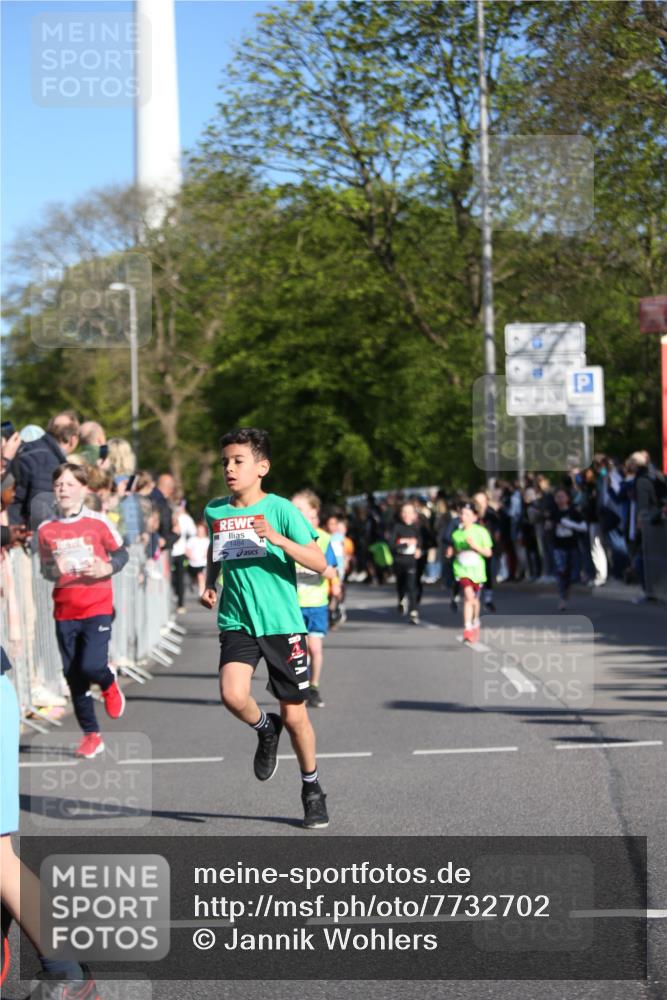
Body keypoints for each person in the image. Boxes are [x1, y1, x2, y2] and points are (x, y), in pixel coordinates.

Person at [200, 428, 330, 829]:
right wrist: (210, 581)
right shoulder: (215, 511)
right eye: (225, 462)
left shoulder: (281, 510)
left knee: (296, 717)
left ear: (262, 467)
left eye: (238, 461)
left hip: (281, 623)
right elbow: (215, 549)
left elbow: (319, 562)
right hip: (237, 618)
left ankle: (312, 789)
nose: (230, 468)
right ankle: (264, 728)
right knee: (232, 694)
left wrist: (275, 538)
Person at [37, 463, 129, 758]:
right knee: (73, 675)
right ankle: (91, 735)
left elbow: (121, 553)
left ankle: (107, 681)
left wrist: (107, 567)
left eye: (70, 484)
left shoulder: (98, 522)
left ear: (84, 489)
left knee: (90, 666)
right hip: (64, 610)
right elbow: (45, 570)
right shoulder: (46, 529)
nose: (63, 489)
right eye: (59, 484)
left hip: (97, 605)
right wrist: (54, 567)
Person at [291, 491, 340, 708]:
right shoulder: (286, 536)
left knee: (315, 648)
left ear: (313, 512)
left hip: (316, 603)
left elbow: (331, 571)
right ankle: (299, 686)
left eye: (299, 509)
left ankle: (314, 685)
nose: (294, 513)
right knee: (297, 651)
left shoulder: (324, 538)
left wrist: (318, 569)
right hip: (292, 603)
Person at [9, 411, 80, 527]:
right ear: (73, 439)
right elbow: (40, 513)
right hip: (15, 530)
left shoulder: (30, 448)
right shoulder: (48, 462)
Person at [446, 500, 493, 644]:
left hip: (477, 570)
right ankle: (467, 628)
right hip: (461, 569)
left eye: (467, 514)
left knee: (474, 600)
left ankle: (475, 621)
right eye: (462, 514)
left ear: (474, 517)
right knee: (468, 595)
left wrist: (475, 546)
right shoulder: (456, 534)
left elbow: (488, 553)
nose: (463, 517)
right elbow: (454, 550)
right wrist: (451, 552)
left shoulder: (481, 532)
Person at [550, 486, 588, 611]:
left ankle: (566, 592)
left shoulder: (573, 512)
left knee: (571, 574)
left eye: (562, 496)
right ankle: (562, 598)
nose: (560, 499)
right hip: (558, 546)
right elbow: (548, 525)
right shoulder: (553, 512)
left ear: (567, 498)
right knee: (560, 571)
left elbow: (583, 527)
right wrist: (549, 525)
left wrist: (568, 524)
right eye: (557, 497)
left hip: (572, 545)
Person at [389, 501, 422, 623]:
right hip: (399, 560)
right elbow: (391, 545)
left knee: (411, 586)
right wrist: (404, 543)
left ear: (414, 514)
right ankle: (401, 599)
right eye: (404, 512)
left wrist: (419, 549)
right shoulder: (397, 527)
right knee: (401, 584)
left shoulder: (416, 528)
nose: (406, 514)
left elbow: (420, 542)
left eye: (409, 512)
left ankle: (414, 611)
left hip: (411, 561)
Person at [171, 500, 197, 613]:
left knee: (181, 578)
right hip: (169, 551)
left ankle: (180, 603)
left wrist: (188, 547)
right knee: (172, 578)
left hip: (181, 551)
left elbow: (193, 533)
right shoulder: (170, 516)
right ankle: (174, 595)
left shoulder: (187, 519)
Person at [185, 521, 210, 595]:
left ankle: (201, 593)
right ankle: (193, 584)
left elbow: (209, 551)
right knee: (195, 578)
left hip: (203, 563)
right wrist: (191, 557)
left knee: (201, 576)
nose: (200, 532)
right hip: (193, 563)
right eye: (199, 530)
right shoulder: (192, 540)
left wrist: (206, 555)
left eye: (201, 531)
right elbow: (187, 550)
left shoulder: (207, 540)